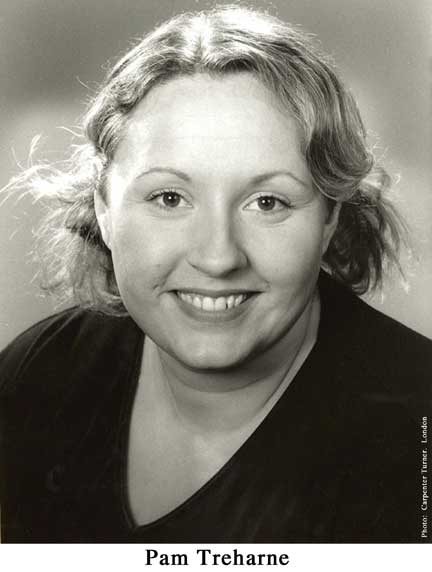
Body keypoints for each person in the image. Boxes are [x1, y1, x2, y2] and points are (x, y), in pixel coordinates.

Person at [0, 5, 431, 543]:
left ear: (329, 219)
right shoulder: (33, 376)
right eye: (169, 197)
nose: (219, 257)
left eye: (268, 202)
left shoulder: (416, 424)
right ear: (104, 208)